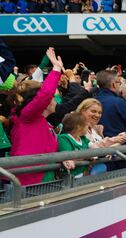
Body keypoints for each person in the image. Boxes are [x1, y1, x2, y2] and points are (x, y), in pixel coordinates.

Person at [10, 48, 70, 185]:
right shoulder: (27, 117)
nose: (55, 98)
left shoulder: (42, 121)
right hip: (29, 180)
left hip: (42, 176)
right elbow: (46, 93)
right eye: (53, 97)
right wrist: (56, 68)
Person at [57, 111, 92, 178]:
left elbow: (93, 147)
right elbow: (68, 156)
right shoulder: (64, 138)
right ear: (79, 127)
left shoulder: (83, 138)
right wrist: (87, 156)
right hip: (69, 178)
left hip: (82, 175)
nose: (88, 127)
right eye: (86, 125)